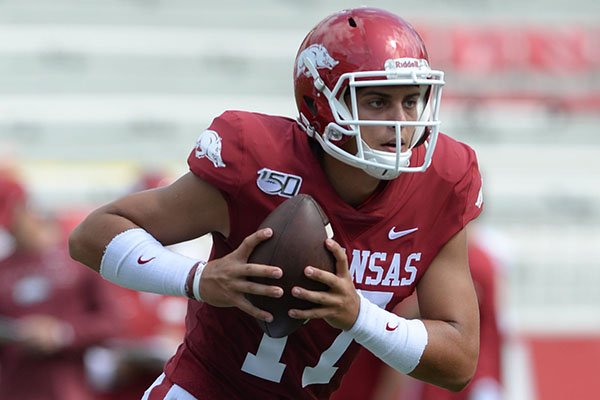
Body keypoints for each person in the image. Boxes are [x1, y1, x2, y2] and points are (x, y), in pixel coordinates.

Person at [69, 7, 484, 400]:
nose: (401, 123)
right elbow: (92, 236)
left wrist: (358, 315)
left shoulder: (442, 181)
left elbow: (458, 363)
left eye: (411, 101)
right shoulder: (257, 161)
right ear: (318, 103)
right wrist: (199, 280)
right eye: (378, 102)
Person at [330, 228, 503, 400]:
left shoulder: (474, 263)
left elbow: (409, 320)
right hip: (368, 365)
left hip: (431, 373)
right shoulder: (472, 259)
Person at [0, 170, 122, 400]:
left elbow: (112, 321)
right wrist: (16, 334)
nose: (8, 229)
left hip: (69, 389)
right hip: (15, 390)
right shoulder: (3, 269)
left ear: (25, 207)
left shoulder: (76, 259)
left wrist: (62, 333)